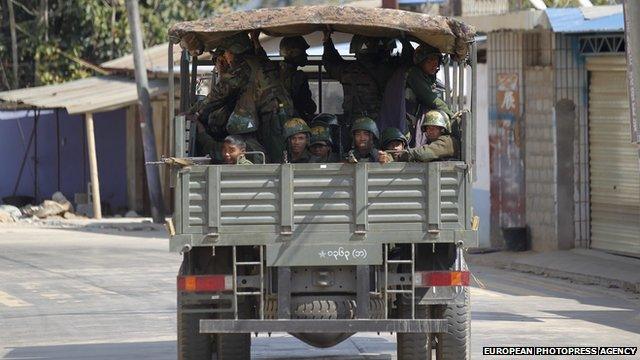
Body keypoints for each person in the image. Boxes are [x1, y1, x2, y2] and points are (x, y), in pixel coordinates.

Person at [323, 32, 393, 123]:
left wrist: (327, 42)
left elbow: (330, 63)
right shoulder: (384, 72)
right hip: (375, 121)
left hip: (351, 121)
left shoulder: (347, 70)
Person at [378, 110, 457, 164]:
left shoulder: (447, 142)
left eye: (434, 127)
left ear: (442, 129)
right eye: (428, 128)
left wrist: (402, 155)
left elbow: (424, 154)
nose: (430, 131)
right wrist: (388, 158)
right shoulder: (431, 143)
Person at [278, 36, 317, 121]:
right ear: (291, 53)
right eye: (303, 51)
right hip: (295, 122)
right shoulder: (299, 77)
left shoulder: (273, 71)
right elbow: (309, 107)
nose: (306, 55)